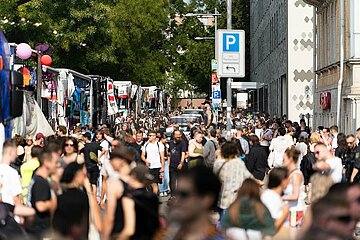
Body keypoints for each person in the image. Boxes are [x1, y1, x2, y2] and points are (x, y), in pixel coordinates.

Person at [163, 166, 225, 239]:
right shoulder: (167, 235)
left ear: (206, 199)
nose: (175, 200)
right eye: (175, 194)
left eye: (184, 195)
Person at [53, 162, 101, 240]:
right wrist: (89, 191)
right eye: (83, 174)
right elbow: (99, 224)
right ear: (77, 175)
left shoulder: (59, 197)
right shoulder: (83, 197)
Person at [102, 145, 135, 240]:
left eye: (112, 158)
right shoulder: (137, 181)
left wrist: (105, 237)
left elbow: (110, 218)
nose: (110, 162)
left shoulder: (115, 185)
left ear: (121, 160)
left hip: (120, 233)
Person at [213, 141, 253, 218]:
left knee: (222, 220)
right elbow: (248, 176)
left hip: (222, 198)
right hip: (235, 197)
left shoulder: (218, 163)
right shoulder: (239, 163)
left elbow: (214, 178)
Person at [28, 147, 59, 239]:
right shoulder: (41, 182)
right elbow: (40, 206)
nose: (57, 165)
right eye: (55, 162)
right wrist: (55, 202)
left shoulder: (37, 177)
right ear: (47, 163)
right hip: (40, 231)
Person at [128, 165, 160, 239]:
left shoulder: (130, 197)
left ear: (133, 176)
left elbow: (129, 229)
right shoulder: (153, 197)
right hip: (150, 235)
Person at [282, 146, 306, 228]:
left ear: (290, 159)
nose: (283, 161)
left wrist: (280, 197)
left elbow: (295, 195)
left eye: (284, 159)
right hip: (290, 210)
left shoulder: (296, 175)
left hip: (295, 211)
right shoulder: (291, 174)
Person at [261, 167, 290, 232]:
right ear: (282, 180)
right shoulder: (271, 197)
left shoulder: (273, 195)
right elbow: (270, 227)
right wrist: (285, 213)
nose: (289, 181)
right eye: (287, 178)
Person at [141, 130, 165, 194]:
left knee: (154, 183)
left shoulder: (159, 144)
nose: (149, 137)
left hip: (157, 166)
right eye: (148, 135)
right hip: (149, 167)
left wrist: (162, 167)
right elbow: (142, 155)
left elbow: (162, 156)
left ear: (154, 136)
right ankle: (151, 195)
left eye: (150, 135)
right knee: (148, 183)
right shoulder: (146, 144)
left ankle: (153, 198)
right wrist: (146, 161)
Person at [168, 130, 186, 197]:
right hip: (172, 165)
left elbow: (183, 153)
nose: (178, 136)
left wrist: (181, 163)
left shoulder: (182, 142)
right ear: (173, 135)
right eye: (177, 134)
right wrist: (168, 164)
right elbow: (169, 154)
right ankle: (173, 196)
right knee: (172, 182)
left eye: (179, 134)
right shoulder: (171, 143)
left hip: (180, 165)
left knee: (180, 182)